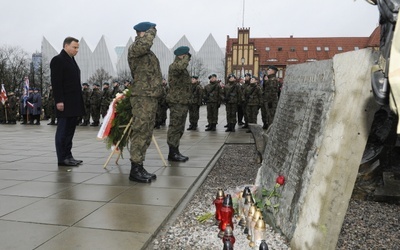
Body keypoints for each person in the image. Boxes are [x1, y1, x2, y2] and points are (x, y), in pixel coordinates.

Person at [127, 21, 162, 183]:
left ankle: (140, 165)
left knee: (147, 133)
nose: (153, 34)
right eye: (150, 32)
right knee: (140, 131)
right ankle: (135, 168)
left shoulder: (148, 53)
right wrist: (150, 33)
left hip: (150, 96)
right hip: (141, 96)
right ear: (143, 33)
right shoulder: (136, 48)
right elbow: (144, 44)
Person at [50, 36, 85, 167]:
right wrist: (59, 100)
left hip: (73, 102)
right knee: (63, 131)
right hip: (64, 103)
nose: (77, 50)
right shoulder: (58, 60)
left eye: (78, 48)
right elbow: (56, 82)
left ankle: (68, 155)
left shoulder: (72, 60)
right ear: (66, 46)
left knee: (70, 131)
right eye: (74, 47)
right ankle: (62, 157)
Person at [166, 46, 192, 161]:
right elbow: (181, 66)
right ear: (181, 55)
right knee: (175, 127)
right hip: (176, 102)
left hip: (182, 101)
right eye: (186, 55)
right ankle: (172, 152)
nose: (188, 58)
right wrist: (186, 58)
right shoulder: (174, 66)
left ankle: (176, 150)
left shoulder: (181, 67)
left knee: (180, 127)